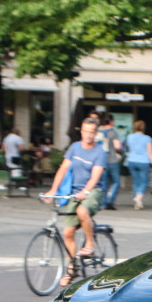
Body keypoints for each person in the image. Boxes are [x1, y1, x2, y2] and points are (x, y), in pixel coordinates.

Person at [45, 119, 106, 284]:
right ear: (81, 132)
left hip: (93, 191)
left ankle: (90, 244)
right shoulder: (75, 148)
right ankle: (72, 269)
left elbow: (96, 176)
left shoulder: (99, 152)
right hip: (74, 193)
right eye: (86, 131)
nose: (88, 135)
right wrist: (53, 190)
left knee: (82, 211)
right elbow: (63, 169)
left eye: (92, 132)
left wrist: (85, 191)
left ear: (95, 133)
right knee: (68, 233)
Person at [122, 119, 152, 210]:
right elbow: (150, 153)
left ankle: (136, 201)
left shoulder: (129, 137)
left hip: (131, 161)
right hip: (144, 162)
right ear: (143, 128)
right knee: (144, 182)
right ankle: (138, 198)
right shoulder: (147, 138)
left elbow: (125, 148)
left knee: (136, 182)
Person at [93, 108, 123, 210]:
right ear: (111, 121)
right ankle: (110, 200)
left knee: (104, 182)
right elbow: (117, 146)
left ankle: (103, 203)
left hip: (101, 161)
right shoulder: (113, 132)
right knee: (116, 182)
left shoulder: (99, 131)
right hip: (112, 160)